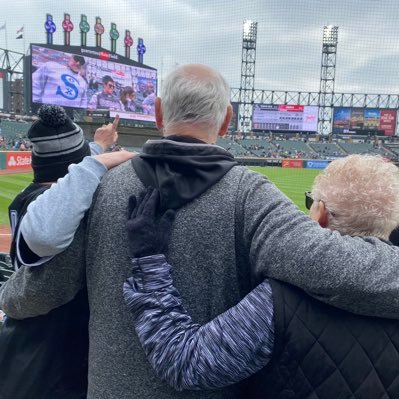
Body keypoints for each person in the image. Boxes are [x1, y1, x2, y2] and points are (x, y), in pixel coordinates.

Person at [3, 65, 399, 399]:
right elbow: (339, 268)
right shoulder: (252, 194)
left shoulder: (102, 187)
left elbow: (40, 291)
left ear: (158, 113)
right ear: (227, 119)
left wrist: (9, 294)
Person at [123, 155, 399, 397]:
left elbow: (184, 364)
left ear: (321, 213)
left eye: (310, 202)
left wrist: (150, 263)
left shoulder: (281, 300)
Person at [0, 105, 134, 399]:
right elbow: (43, 284)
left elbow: (67, 178)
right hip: (52, 361)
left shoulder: (28, 197)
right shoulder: (55, 214)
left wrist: (98, 145)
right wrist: (96, 161)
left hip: (28, 350)